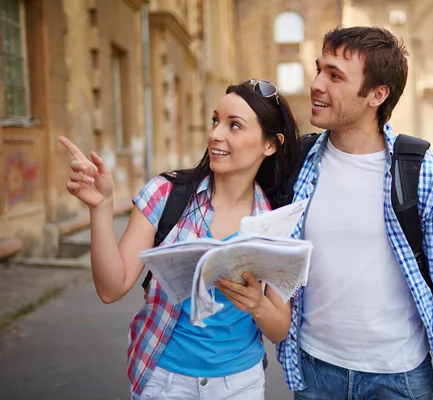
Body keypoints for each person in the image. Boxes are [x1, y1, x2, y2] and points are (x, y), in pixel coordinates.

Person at [59, 79, 299, 400]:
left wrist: (257, 303)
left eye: (235, 126)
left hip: (239, 384)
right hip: (164, 380)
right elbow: (110, 288)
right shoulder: (165, 193)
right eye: (215, 120)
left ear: (270, 144)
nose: (215, 134)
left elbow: (279, 328)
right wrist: (101, 207)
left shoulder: (274, 222)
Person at [276, 27, 433, 400]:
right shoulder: (298, 163)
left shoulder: (425, 173)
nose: (317, 84)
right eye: (318, 69)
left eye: (335, 76)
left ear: (377, 93)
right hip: (314, 371)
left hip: (398, 379)